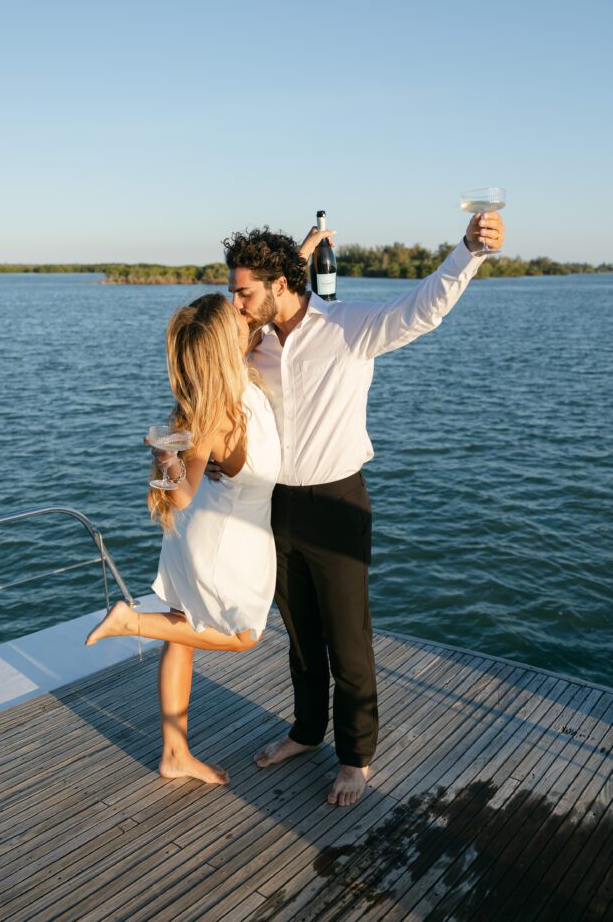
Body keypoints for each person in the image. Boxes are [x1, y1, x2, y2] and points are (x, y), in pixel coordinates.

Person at [213, 211, 505, 806]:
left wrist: (469, 251)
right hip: (275, 504)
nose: (235, 304)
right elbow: (223, 403)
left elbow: (423, 308)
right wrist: (218, 456)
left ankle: (355, 757)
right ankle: (305, 732)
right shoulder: (253, 345)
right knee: (299, 637)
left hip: (338, 503)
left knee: (348, 639)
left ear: (278, 286)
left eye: (242, 292)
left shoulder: (350, 325)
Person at [86, 293, 281, 786]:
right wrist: (166, 458)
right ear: (223, 344)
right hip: (222, 544)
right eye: (235, 316)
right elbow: (180, 497)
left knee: (182, 630)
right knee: (242, 637)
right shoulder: (218, 411)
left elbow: (263, 302)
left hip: (216, 531)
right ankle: (130, 622)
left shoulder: (238, 373)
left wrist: (298, 255)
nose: (244, 314)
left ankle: (174, 753)